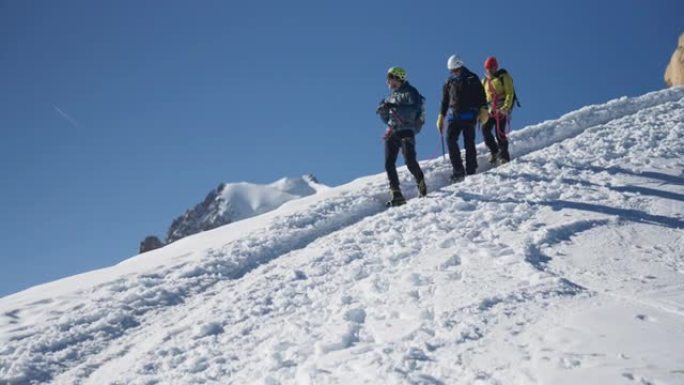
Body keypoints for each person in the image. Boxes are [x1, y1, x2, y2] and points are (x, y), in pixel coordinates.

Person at [376, 66, 427, 207]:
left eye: (391, 78)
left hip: (406, 130)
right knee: (388, 162)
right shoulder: (391, 96)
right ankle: (396, 193)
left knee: (409, 161)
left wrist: (394, 105)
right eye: (388, 79)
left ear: (399, 78)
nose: (388, 82)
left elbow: (413, 108)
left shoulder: (411, 92)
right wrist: (383, 112)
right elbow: (388, 119)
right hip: (393, 131)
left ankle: (420, 179)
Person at [436, 55, 488, 182]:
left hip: (469, 114)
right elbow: (445, 101)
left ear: (461, 66)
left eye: (456, 69)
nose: (454, 72)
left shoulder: (472, 78)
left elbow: (481, 95)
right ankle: (458, 170)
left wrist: (483, 109)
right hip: (454, 116)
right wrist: (441, 116)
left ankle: (471, 169)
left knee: (468, 141)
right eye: (452, 70)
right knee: (450, 139)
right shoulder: (449, 82)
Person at [481, 56, 517, 164]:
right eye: (488, 68)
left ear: (495, 67)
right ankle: (494, 151)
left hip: (502, 109)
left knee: (499, 132)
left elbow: (510, 93)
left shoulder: (504, 77)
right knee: (485, 130)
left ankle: (504, 156)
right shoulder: (484, 81)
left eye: (492, 68)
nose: (490, 70)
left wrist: (506, 108)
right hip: (491, 110)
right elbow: (483, 97)